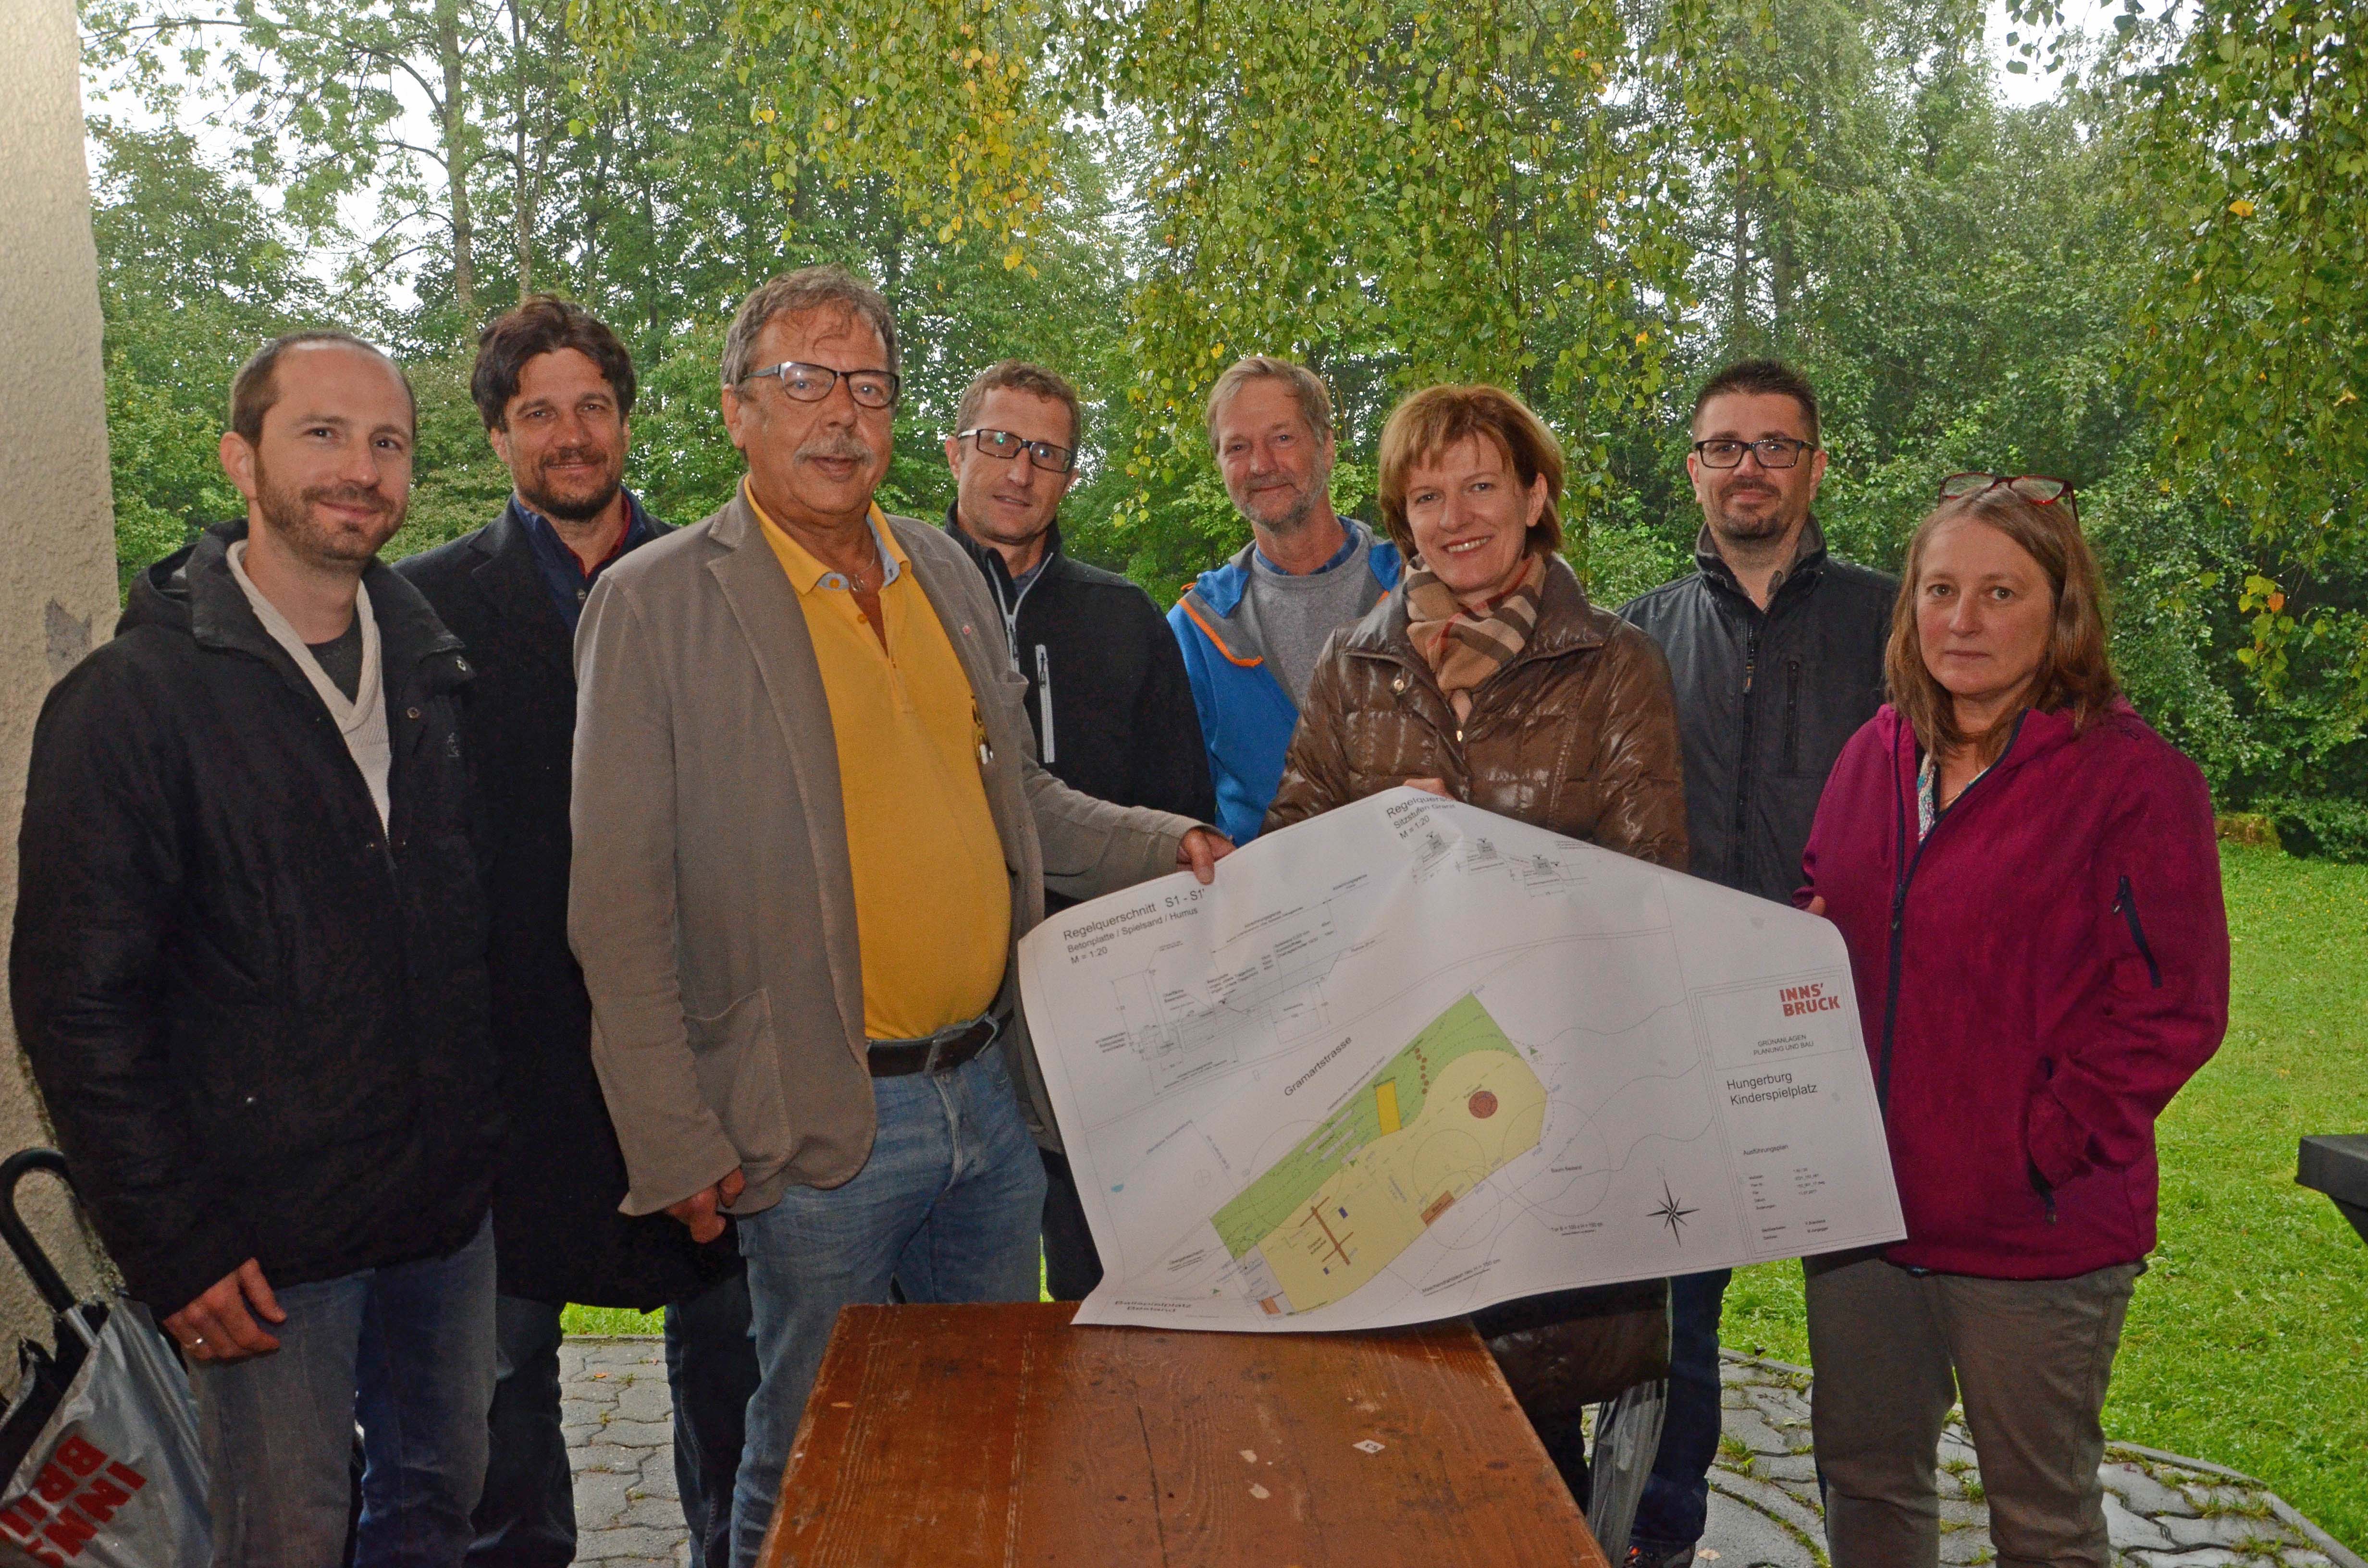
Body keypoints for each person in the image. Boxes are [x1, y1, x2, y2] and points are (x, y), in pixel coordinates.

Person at [567, 265, 1233, 1567]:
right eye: (803, 381)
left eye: (866, 385)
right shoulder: (652, 605)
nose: (840, 416)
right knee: (811, 1447)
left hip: (984, 1096)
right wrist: (673, 1132)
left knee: (983, 1431)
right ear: (736, 411)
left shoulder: (941, 569)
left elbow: (1018, 803)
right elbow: (618, 901)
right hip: (814, 1114)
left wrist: (1172, 844)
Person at [11, 331, 499, 1565]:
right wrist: (173, 1244)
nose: (362, 468)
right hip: (265, 1250)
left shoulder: (436, 672)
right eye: (322, 434)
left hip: (443, 1220)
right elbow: (77, 1006)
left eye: (388, 441)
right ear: (243, 458)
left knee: (437, 1509)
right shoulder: (134, 702)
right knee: (283, 1541)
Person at [1263, 383, 1686, 1528]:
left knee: (1525, 1477)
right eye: (1425, 494)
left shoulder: (1615, 664)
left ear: (1536, 494)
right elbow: (1287, 870)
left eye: (1481, 485)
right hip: (1379, 1115)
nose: (1454, 517)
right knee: (1372, 1457)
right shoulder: (1356, 668)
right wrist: (1370, 841)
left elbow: (1653, 906)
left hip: (1543, 1109)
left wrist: (1481, 859)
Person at [1797, 476, 2228, 1568]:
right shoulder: (1875, 756)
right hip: (1862, 1218)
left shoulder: (2134, 783)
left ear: (2063, 610)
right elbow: (1824, 911)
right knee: (1867, 1483)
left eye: (2001, 592)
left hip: (2033, 1228)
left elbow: (2175, 1006)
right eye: (1940, 589)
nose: (1963, 619)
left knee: (2039, 1518)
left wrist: (2042, 1145)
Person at [396, 297, 758, 1568]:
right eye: (538, 411)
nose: (570, 434)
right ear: (499, 434)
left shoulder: (722, 584)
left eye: (591, 405)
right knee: (496, 1408)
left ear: (625, 417)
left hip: (697, 1055)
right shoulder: (422, 611)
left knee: (737, 1384)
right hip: (509, 1077)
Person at [1612, 359, 1897, 1568]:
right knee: (1678, 1314)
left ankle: (1875, 1532)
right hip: (1680, 1028)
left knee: (1870, 1325)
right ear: (1694, 468)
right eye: (1726, 446)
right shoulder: (1637, 633)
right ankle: (1662, 1534)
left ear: (1817, 465)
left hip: (1854, 1028)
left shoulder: (1892, 624)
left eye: (1775, 445)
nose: (1750, 468)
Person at [940, 358, 1215, 1302]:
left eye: (1047, 453)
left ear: (1069, 474)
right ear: (954, 452)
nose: (1019, 470)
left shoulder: (1125, 618)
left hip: (1102, 1005)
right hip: (949, 1010)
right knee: (961, 1302)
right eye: (999, 443)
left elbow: (1180, 803)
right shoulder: (899, 606)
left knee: (1109, 1284)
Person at [1171, 355, 1402, 844]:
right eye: (1237, 447)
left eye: (1281, 438)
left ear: (1325, 448)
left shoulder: (1415, 587)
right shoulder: (1197, 627)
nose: (1260, 465)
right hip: (1275, 906)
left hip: (1417, 891)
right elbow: (1178, 810)